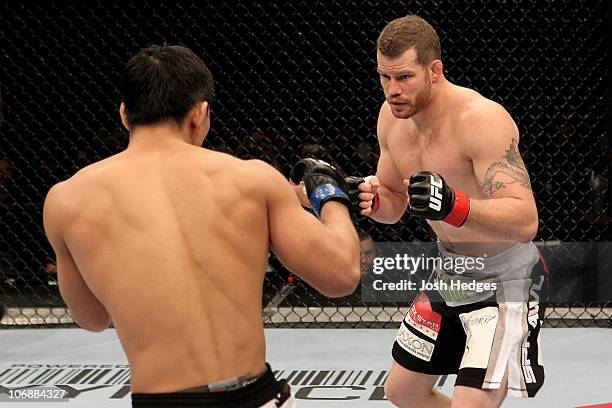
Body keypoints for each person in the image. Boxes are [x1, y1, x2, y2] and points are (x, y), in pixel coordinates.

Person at [43, 45, 361, 408]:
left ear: (124, 115)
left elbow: (92, 317)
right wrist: (330, 196)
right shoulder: (252, 179)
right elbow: (342, 274)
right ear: (200, 114)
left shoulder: (66, 200)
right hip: (255, 397)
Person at [351, 15, 546, 407]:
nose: (392, 90)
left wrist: (454, 205)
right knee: (401, 391)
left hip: (506, 281)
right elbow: (393, 201)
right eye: (384, 77)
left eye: (404, 77)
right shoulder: (391, 118)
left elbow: (525, 221)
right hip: (451, 275)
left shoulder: (481, 120)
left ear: (434, 70)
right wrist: (375, 201)